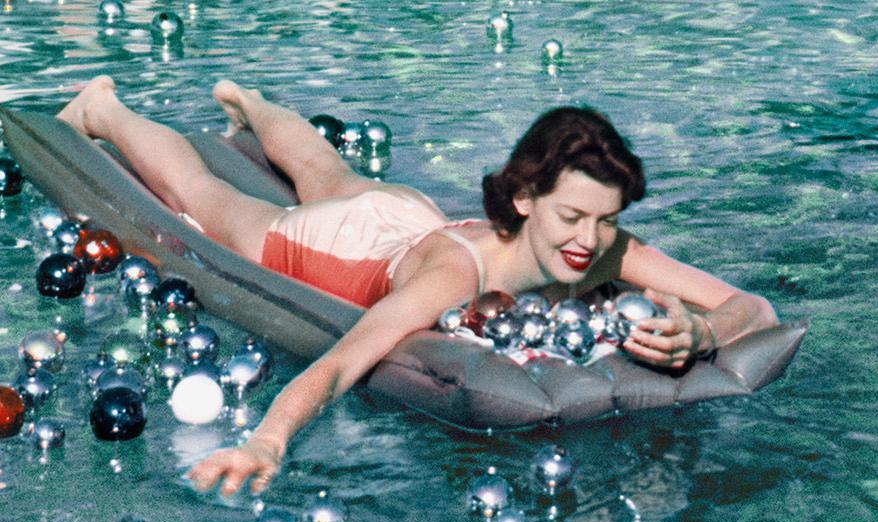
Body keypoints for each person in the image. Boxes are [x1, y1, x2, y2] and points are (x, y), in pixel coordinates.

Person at [55, 82, 767, 492]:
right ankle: (104, 109)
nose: (589, 238)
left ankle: (249, 103)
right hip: (339, 249)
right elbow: (343, 362)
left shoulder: (605, 248)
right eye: (572, 216)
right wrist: (269, 441)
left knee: (326, 168)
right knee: (205, 197)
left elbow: (750, 306)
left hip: (411, 219)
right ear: (524, 200)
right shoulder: (456, 277)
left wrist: (705, 332)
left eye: (606, 220)